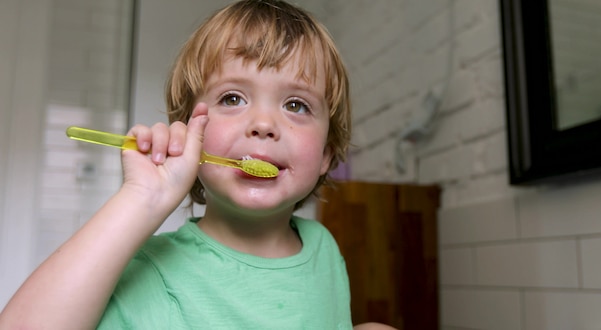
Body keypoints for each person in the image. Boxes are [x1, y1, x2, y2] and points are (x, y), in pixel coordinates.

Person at [0, 0, 396, 329]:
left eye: (296, 105)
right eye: (232, 98)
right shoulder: (150, 271)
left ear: (327, 153)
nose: (263, 125)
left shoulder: (323, 249)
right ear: (190, 135)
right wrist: (143, 198)